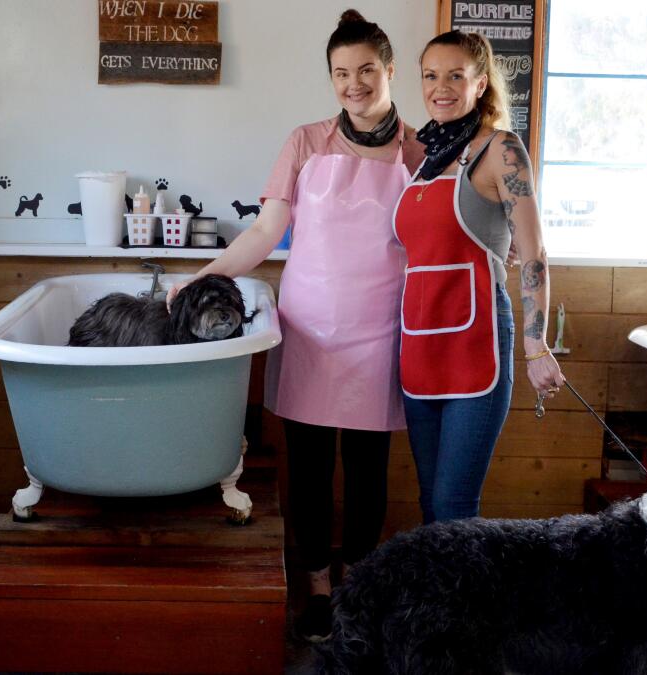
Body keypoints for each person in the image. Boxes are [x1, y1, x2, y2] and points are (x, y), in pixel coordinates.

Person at [167, 10, 423, 642]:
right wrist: (204, 275)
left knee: (368, 472)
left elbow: (434, 241)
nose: (354, 83)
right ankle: (314, 586)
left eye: (366, 69)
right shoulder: (305, 142)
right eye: (341, 72)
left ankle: (357, 586)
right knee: (307, 469)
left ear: (389, 70)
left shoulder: (421, 149)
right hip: (309, 325)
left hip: (384, 328)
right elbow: (265, 231)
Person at [393, 30, 564, 525]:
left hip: (477, 345)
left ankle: (462, 605)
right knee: (430, 503)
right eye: (430, 75)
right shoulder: (421, 156)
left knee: (453, 507)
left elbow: (532, 253)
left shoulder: (500, 151)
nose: (440, 87)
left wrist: (536, 346)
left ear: (480, 83)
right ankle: (435, 605)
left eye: (455, 76)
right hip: (419, 348)